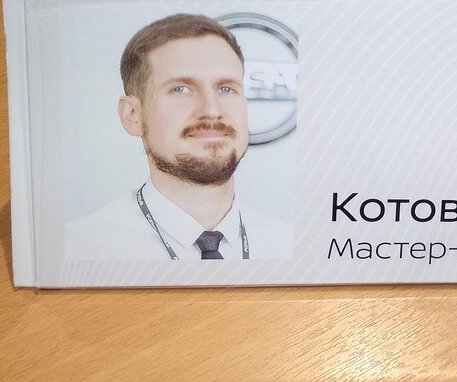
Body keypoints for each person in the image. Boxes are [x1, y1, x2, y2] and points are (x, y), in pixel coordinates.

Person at [63, 14, 294, 261]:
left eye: (226, 89)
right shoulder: (79, 250)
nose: (211, 110)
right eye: (181, 89)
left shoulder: (287, 246)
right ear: (133, 115)